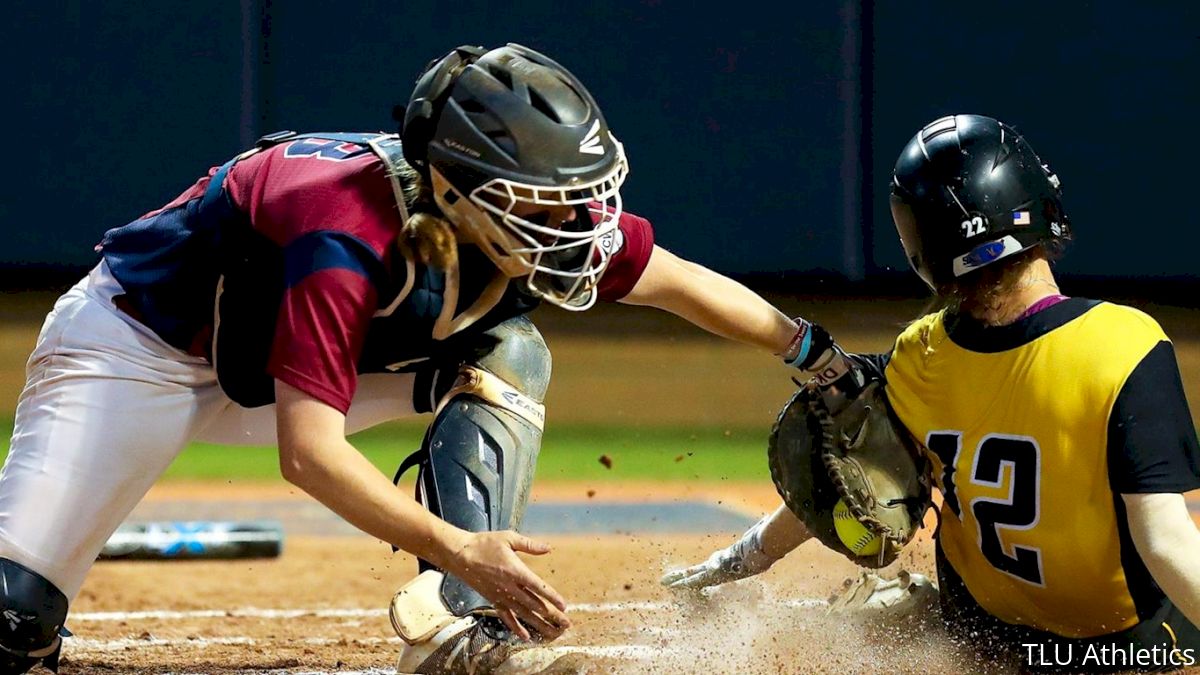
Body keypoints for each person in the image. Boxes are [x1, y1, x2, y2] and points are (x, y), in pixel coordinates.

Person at [0, 44, 851, 675]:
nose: (575, 226)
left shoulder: (470, 211)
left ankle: (459, 631)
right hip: (136, 351)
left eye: (579, 199)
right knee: (13, 621)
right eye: (543, 205)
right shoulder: (342, 227)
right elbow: (310, 453)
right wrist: (457, 542)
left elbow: (676, 281)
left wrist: (815, 354)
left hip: (278, 365)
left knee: (511, 347)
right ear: (453, 189)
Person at [663, 114, 1200, 672]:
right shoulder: (1124, 344)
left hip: (981, 635)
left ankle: (915, 619)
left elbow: (839, 481)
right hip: (1123, 647)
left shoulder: (918, 357)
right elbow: (1164, 542)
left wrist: (738, 559)